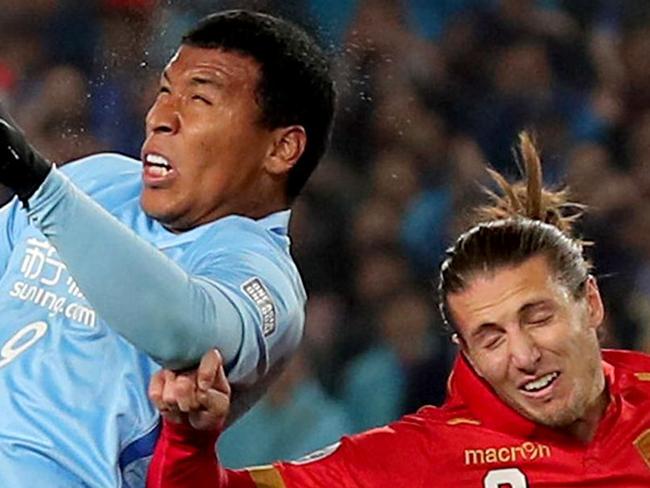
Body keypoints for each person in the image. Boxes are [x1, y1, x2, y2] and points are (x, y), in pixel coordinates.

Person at [147, 132, 650, 487]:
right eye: (491, 337)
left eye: (538, 317)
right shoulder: (419, 460)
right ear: (467, 353)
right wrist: (189, 442)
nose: (523, 354)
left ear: (591, 302)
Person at [0, 9, 334, 487]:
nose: (159, 117)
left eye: (198, 99)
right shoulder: (95, 181)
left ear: (281, 149)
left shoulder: (264, 280)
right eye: (163, 91)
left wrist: (37, 183)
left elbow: (187, 331)